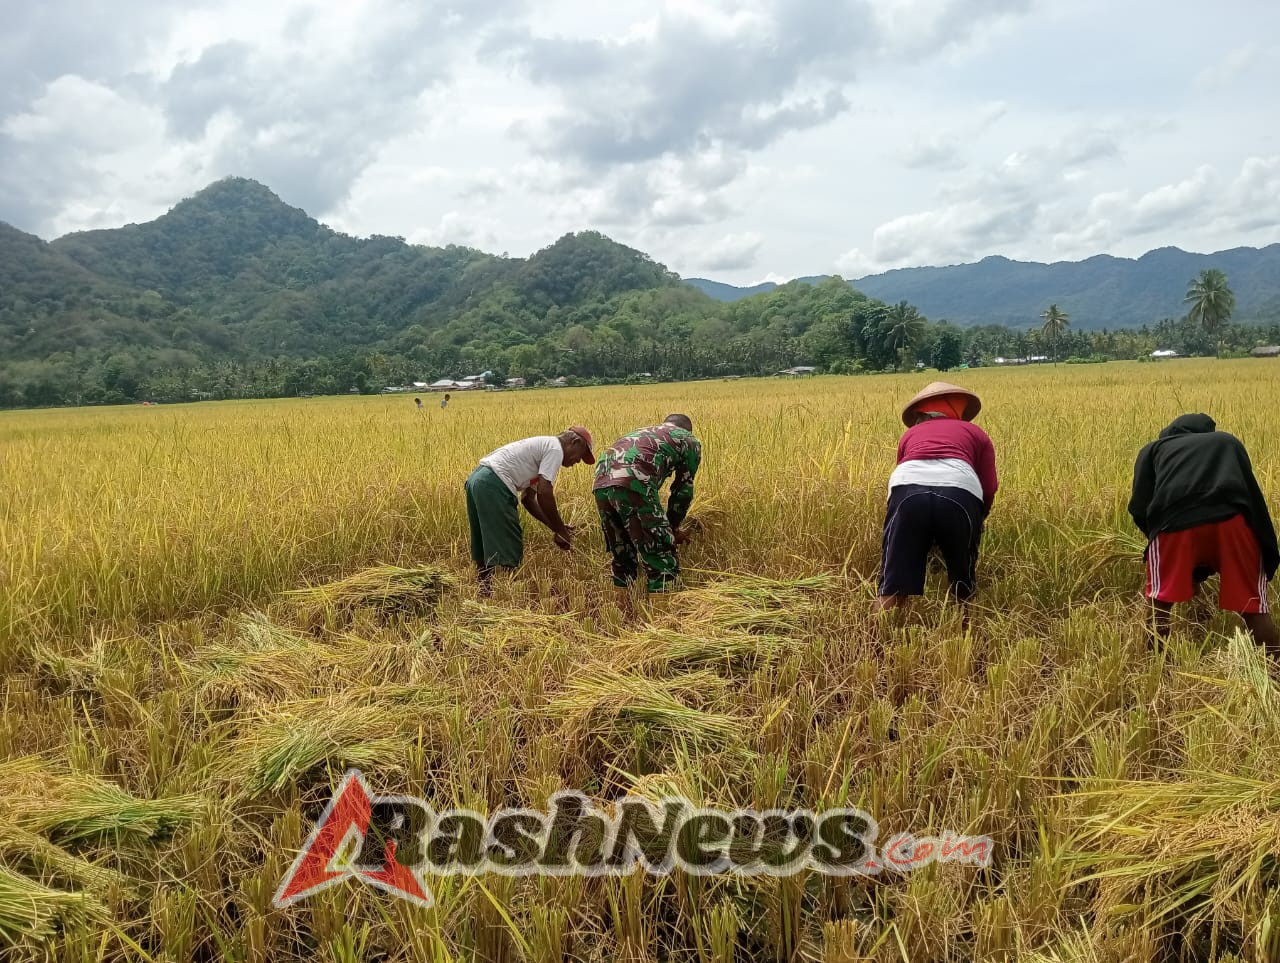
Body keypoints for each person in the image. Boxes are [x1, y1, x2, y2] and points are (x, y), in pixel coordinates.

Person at [1128, 413, 1278, 653]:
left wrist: (1159, 539)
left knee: (1159, 604)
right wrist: (1266, 548)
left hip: (1174, 522)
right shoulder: (1227, 442)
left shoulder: (1154, 449)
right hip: (1234, 522)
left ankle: (1156, 673)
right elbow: (1253, 498)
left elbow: (1138, 505)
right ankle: (1274, 672)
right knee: (1254, 608)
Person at [877, 382, 997, 620]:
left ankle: (873, 639)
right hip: (960, 490)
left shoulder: (909, 434)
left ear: (921, 415)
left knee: (893, 579)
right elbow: (989, 487)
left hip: (907, 490)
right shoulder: (976, 433)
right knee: (963, 575)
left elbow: (902, 473)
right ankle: (965, 629)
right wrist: (977, 519)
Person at [464, 427, 593, 595]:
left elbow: (528, 499)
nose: (578, 462)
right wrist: (560, 530)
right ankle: (511, 593)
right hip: (494, 482)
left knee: (483, 535)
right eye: (581, 455)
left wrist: (555, 527)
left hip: (478, 479)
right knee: (508, 536)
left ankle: (485, 589)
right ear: (574, 442)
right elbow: (544, 492)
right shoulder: (555, 449)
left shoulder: (544, 447)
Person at [593, 414, 702, 602]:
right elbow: (683, 491)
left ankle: (622, 613)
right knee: (660, 554)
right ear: (687, 429)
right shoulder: (688, 439)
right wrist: (672, 529)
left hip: (601, 482)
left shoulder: (646, 432)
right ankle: (662, 623)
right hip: (633, 482)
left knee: (622, 552)